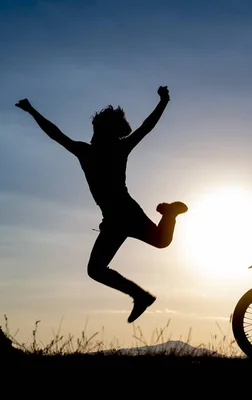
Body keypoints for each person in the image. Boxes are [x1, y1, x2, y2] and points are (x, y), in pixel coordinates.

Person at [15, 85, 188, 323]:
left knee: (100, 268)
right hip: (121, 214)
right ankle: (167, 220)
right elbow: (55, 133)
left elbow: (146, 127)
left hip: (121, 214)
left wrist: (31, 110)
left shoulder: (96, 150)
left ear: (103, 131)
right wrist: (164, 101)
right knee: (160, 242)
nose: (92, 132)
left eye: (96, 128)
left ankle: (142, 293)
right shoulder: (94, 150)